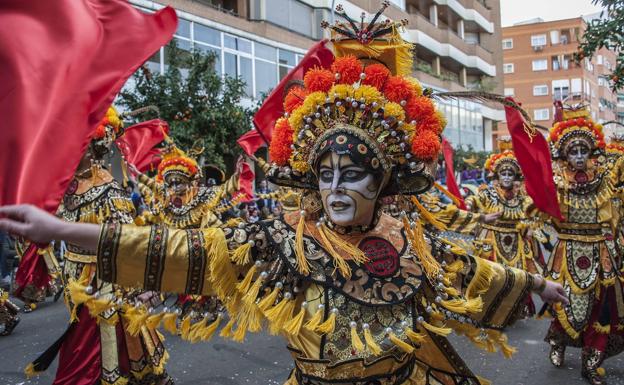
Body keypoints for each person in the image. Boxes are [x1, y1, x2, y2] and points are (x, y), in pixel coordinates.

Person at [0, 7, 567, 384]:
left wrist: (542, 283)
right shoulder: (279, 238)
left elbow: (475, 274)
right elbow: (181, 250)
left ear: (385, 180)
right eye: (326, 173)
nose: (337, 187)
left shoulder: (412, 239)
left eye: (354, 173)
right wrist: (59, 231)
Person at [42, 107, 171, 385]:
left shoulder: (108, 188)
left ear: (90, 149)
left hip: (104, 282)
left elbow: (125, 240)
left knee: (91, 350)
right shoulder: (65, 186)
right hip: (74, 279)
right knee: (84, 341)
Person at [540, 104, 624, 385]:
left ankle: (591, 362)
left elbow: (612, 218)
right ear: (564, 154)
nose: (578, 157)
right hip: (568, 252)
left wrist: (613, 248)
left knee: (600, 309)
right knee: (565, 304)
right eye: (572, 152)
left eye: (583, 151)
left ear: (591, 152)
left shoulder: (603, 182)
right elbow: (545, 213)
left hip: (599, 253)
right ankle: (557, 342)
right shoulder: (556, 181)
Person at [465, 138, 546, 318]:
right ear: (498, 176)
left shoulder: (522, 198)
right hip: (492, 239)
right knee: (492, 277)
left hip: (516, 242)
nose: (507, 177)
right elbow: (474, 200)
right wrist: (469, 204)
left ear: (516, 177)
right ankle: (489, 310)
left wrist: (530, 227)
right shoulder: (488, 193)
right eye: (503, 174)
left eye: (510, 174)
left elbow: (532, 214)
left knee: (517, 276)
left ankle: (514, 310)